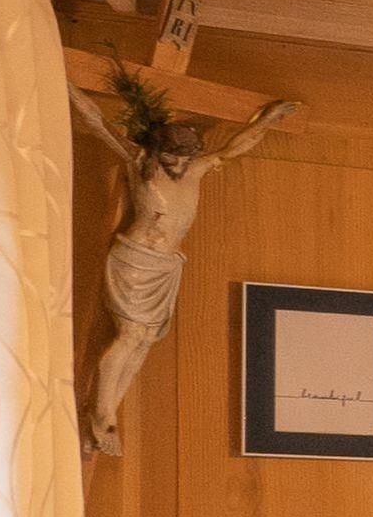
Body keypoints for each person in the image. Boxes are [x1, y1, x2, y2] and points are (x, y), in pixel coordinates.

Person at [69, 88, 298, 455]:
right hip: (137, 257)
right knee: (130, 334)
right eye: (171, 155)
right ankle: (102, 415)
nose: (178, 163)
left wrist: (269, 120)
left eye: (185, 156)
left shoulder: (196, 169)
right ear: (157, 149)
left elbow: (237, 146)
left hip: (166, 264)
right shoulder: (139, 162)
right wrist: (67, 87)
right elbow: (97, 122)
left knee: (145, 339)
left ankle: (102, 415)